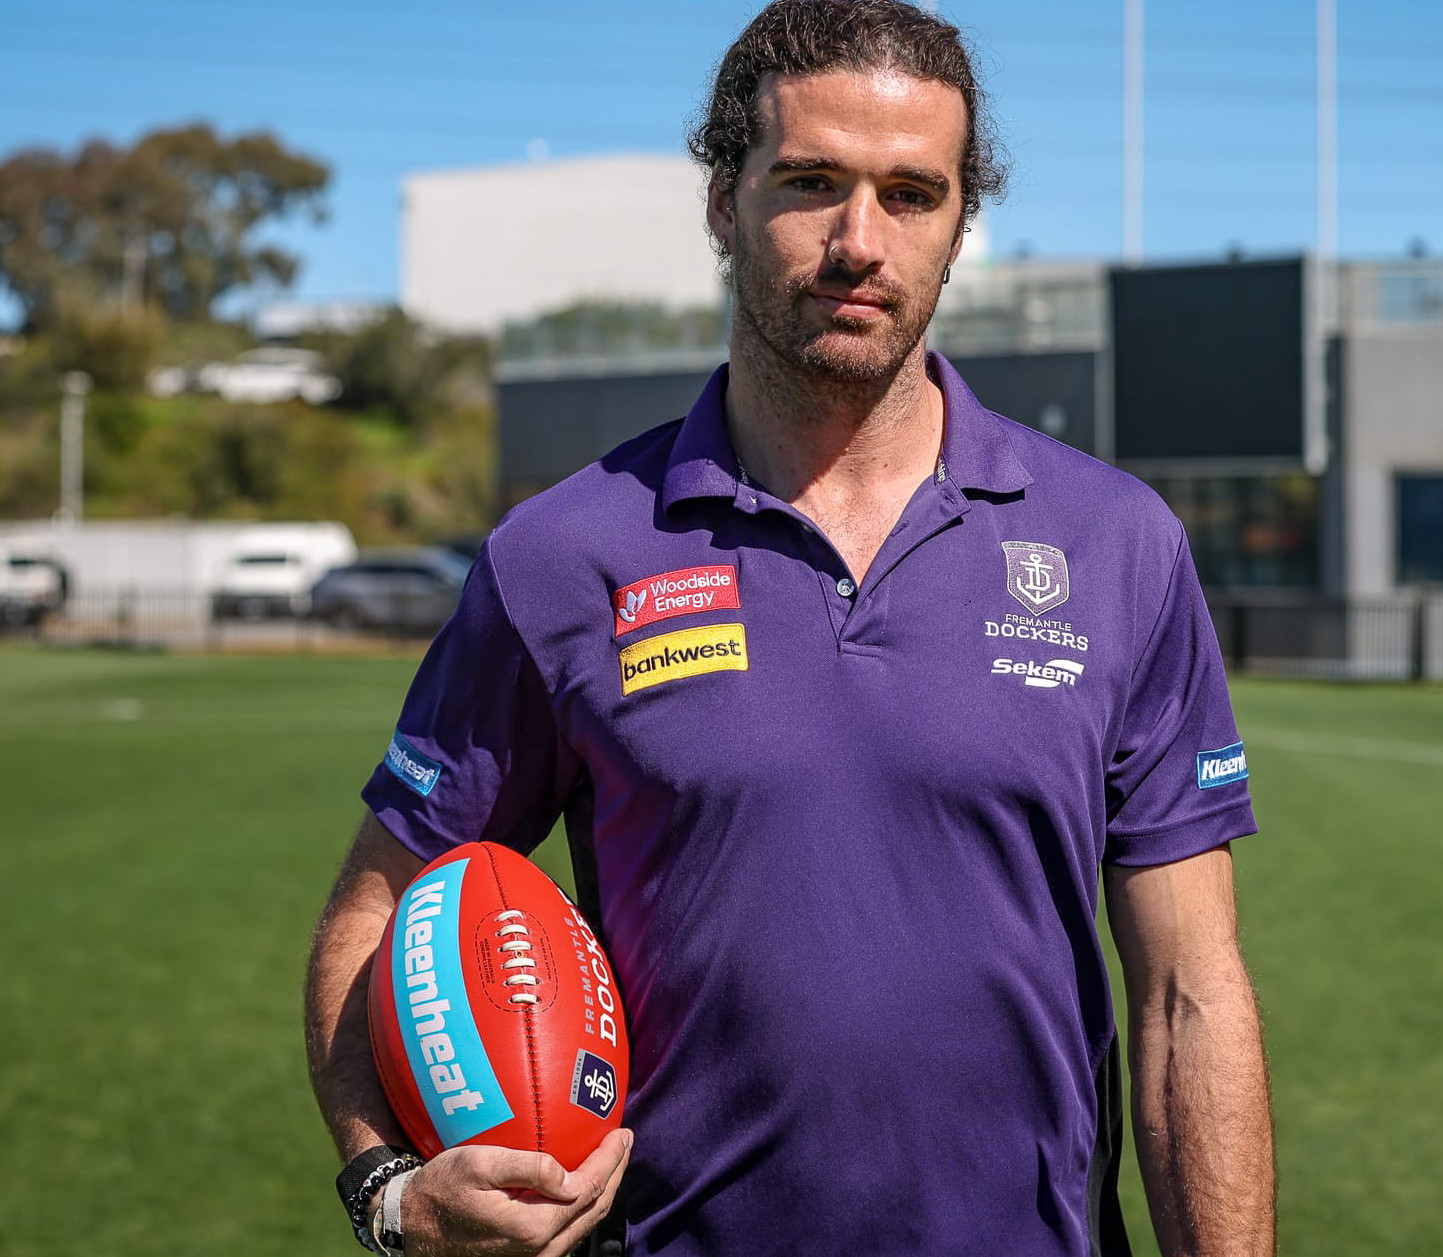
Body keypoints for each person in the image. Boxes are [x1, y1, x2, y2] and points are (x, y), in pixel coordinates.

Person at [304, 2, 1274, 1254]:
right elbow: (374, 912)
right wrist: (387, 1192)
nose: (858, 242)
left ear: (958, 222)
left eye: (911, 194)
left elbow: (1190, 998)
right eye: (810, 183)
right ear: (723, 202)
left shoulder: (1114, 541)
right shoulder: (562, 554)